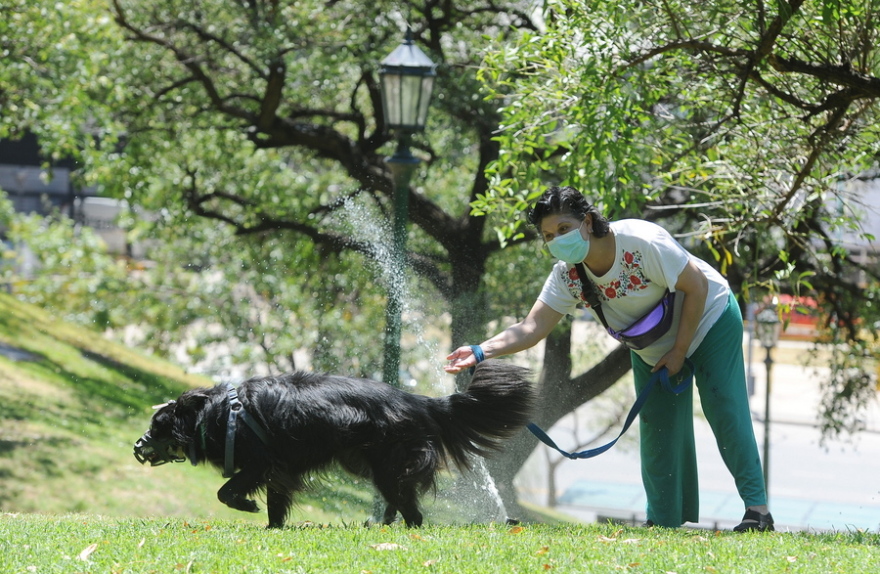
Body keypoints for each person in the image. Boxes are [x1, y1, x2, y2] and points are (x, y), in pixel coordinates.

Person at [444, 185, 773, 531]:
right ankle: (663, 523)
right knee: (658, 428)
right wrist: (480, 350)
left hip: (709, 319)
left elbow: (696, 286)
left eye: (564, 229)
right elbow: (532, 326)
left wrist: (680, 351)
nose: (557, 240)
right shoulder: (567, 275)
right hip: (653, 348)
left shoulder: (641, 241)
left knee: (723, 407)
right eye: (548, 235)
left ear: (587, 222)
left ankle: (758, 512)